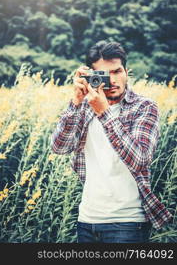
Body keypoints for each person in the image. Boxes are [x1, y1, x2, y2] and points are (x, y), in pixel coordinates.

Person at [51, 41, 172, 243]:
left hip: (128, 223)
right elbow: (59, 147)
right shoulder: (85, 106)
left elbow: (140, 159)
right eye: (105, 75)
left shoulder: (144, 107)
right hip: (87, 220)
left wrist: (104, 112)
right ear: (92, 77)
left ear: (126, 71)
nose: (113, 80)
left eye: (117, 71)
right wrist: (75, 102)